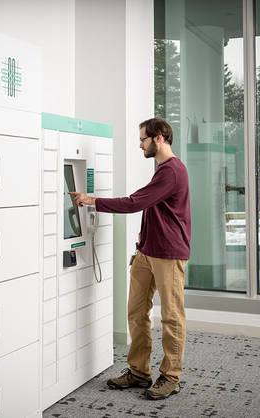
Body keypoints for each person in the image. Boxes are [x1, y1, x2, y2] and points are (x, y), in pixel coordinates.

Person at [70, 117, 191, 400]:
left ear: (159, 137)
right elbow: (155, 210)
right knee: (136, 312)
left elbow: (135, 202)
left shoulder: (173, 171)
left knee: (172, 317)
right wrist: (142, 242)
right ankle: (139, 372)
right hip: (147, 252)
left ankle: (171, 377)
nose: (140, 145)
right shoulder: (162, 170)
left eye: (143, 140)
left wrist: (93, 201)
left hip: (168, 254)